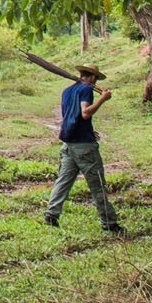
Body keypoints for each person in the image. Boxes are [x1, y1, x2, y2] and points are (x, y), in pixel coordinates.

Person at [41, 63, 124, 235]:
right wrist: (103, 98)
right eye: (96, 78)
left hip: (68, 143)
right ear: (93, 77)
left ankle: (51, 214)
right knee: (97, 184)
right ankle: (109, 223)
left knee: (63, 180)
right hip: (84, 147)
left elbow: (72, 115)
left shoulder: (67, 91)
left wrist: (88, 130)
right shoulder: (86, 89)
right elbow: (85, 113)